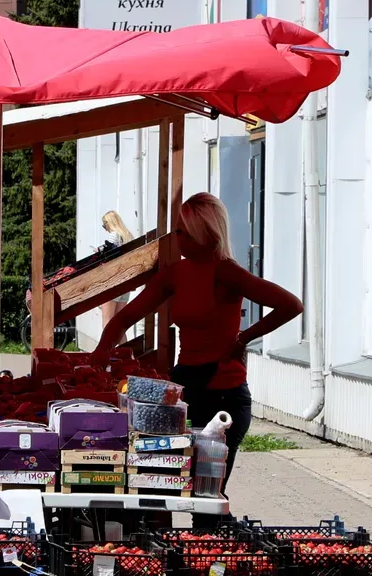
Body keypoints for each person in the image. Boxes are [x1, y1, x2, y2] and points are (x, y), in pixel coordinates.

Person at [89, 192, 302, 493]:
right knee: (163, 484)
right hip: (186, 387)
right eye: (178, 231)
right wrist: (100, 351)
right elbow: (125, 317)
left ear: (207, 236)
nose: (178, 239)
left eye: (185, 233)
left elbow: (291, 305)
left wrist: (243, 339)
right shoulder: (176, 274)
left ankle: (213, 535)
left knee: (206, 492)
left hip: (224, 394)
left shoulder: (226, 271)